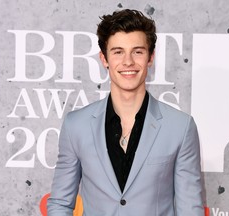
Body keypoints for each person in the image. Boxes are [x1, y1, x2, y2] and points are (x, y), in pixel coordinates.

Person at [47, 9, 204, 216]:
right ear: (104, 58)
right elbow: (60, 204)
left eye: (137, 51)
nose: (128, 61)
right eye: (118, 52)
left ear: (150, 58)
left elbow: (190, 210)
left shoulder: (180, 127)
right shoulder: (76, 125)